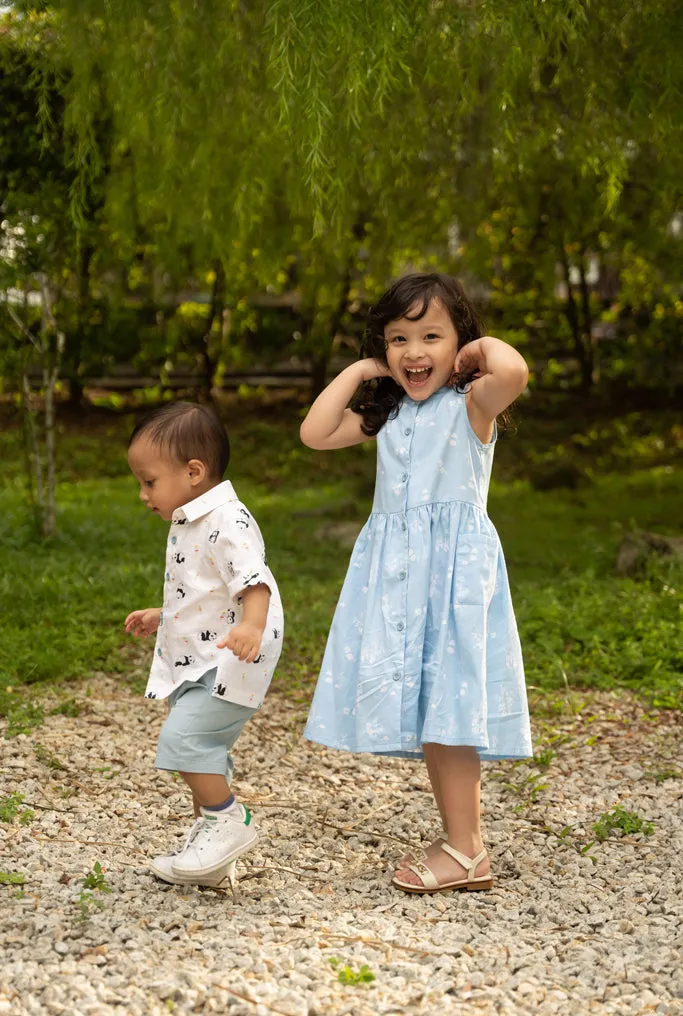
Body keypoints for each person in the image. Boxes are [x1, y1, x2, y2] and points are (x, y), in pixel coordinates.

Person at [300, 272, 532, 894]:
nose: (414, 351)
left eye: (432, 335)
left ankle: (466, 848)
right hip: (401, 578)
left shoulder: (470, 408)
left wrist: (479, 354)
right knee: (435, 710)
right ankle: (462, 842)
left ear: (460, 345)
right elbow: (315, 433)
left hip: (452, 579)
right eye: (398, 338)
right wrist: (358, 373)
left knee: (450, 708)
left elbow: (512, 374)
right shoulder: (390, 414)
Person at [125, 402, 283, 887]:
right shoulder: (196, 518)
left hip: (232, 657)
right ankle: (212, 860)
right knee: (203, 744)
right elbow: (203, 589)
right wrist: (165, 615)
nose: (142, 494)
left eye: (149, 482)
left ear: (193, 472)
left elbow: (253, 582)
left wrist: (252, 627)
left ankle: (228, 821)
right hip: (202, 656)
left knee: (185, 740)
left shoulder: (226, 521)